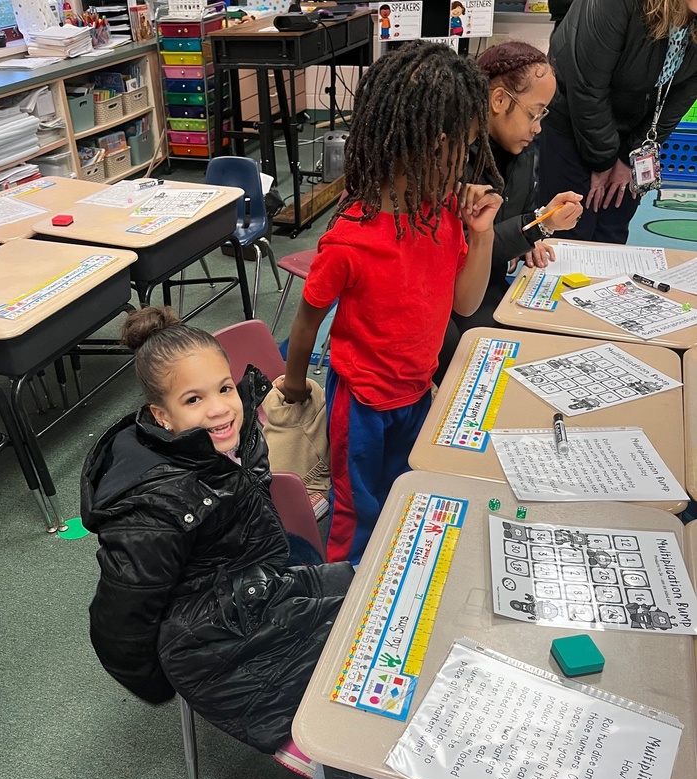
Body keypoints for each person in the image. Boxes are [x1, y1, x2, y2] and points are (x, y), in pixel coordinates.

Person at [81, 308, 371, 779]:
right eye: (194, 399)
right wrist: (168, 677)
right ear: (162, 416)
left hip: (258, 593)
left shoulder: (229, 430)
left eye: (221, 388)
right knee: (364, 695)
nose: (220, 408)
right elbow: (117, 623)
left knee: (384, 597)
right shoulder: (155, 503)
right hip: (215, 642)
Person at [280, 40, 503, 566]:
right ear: (432, 146)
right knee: (357, 512)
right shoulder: (351, 239)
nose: (470, 161)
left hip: (416, 395)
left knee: (407, 499)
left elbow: (465, 305)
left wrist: (484, 235)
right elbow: (307, 321)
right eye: (465, 148)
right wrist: (293, 384)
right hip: (358, 406)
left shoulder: (446, 216)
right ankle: (344, 595)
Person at [442, 41, 583, 360]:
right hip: (459, 301)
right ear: (499, 99)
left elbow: (511, 220)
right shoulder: (454, 160)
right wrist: (535, 228)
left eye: (543, 115)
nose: (538, 127)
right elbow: (461, 253)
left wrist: (530, 238)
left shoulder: (521, 153)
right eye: (534, 114)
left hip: (491, 287)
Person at [537, 0, 697, 244]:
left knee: (613, 229)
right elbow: (587, 86)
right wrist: (603, 160)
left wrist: (629, 155)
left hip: (634, 125)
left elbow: (679, 99)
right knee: (569, 229)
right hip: (573, 117)